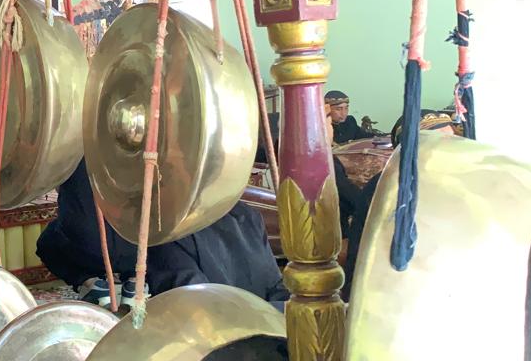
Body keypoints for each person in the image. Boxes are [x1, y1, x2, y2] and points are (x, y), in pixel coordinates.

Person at [36, 159, 289, 311]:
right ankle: (91, 281)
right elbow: (275, 289)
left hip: (226, 335)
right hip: (252, 317)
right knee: (50, 240)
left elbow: (199, 308)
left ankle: (102, 281)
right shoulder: (245, 214)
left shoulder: (165, 228)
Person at [341, 111, 457, 300]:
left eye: (453, 142)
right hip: (398, 295)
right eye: (442, 143)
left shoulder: (454, 185)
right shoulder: (389, 189)